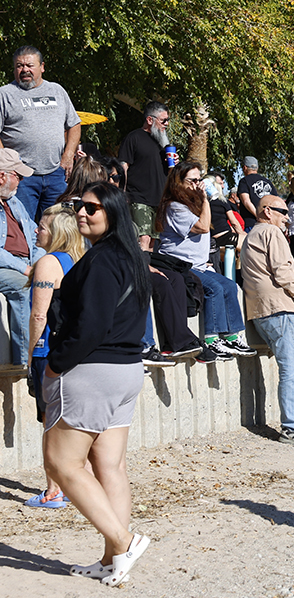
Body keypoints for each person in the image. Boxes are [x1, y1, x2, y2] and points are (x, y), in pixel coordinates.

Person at [43, 182, 152, 587]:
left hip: (93, 371)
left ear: (113, 213)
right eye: (78, 206)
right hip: (125, 371)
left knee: (61, 463)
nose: (83, 213)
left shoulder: (105, 261)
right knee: (110, 466)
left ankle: (124, 539)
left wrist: (55, 365)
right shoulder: (131, 258)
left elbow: (92, 325)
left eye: (92, 207)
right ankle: (113, 559)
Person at [155, 163, 257, 360]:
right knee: (214, 289)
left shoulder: (192, 204)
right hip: (180, 265)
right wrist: (205, 200)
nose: (197, 184)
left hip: (200, 265)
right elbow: (202, 227)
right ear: (178, 183)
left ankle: (232, 336)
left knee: (229, 285)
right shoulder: (174, 206)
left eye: (199, 180)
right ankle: (212, 339)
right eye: (192, 181)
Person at [241, 195, 294, 444]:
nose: (287, 217)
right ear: (266, 211)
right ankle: (293, 428)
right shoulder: (272, 234)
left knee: (290, 367)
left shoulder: (251, 236)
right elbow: (283, 272)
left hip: (260, 309)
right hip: (278, 308)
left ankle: (292, 425)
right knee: (292, 369)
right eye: (282, 212)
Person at [24, 205, 84, 508]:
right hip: (72, 351)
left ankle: (53, 490)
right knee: (67, 422)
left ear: (56, 232)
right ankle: (71, 485)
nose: (37, 230)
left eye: (43, 226)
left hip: (48, 351)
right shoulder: (76, 260)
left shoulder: (48, 263)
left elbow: (38, 315)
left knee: (50, 422)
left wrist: (31, 353)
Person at [0, 46, 81, 220]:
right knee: (22, 226)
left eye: (30, 65)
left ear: (42, 67)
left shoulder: (57, 91)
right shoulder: (5, 94)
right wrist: (7, 166)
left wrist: (68, 155)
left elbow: (74, 125)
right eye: (19, 66)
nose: (25, 70)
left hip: (56, 174)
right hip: (21, 177)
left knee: (58, 227)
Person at [0, 149, 43, 367]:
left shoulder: (15, 202)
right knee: (24, 288)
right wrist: (25, 269)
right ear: (2, 176)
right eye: (18, 176)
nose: (21, 181)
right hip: (5, 266)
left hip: (27, 263)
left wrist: (38, 264)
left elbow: (37, 236)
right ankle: (26, 363)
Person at [118, 101, 171, 252]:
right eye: (163, 120)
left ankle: (148, 273)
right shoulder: (134, 137)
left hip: (159, 200)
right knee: (143, 238)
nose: (166, 124)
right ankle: (139, 273)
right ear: (149, 120)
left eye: (168, 120)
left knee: (153, 241)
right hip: (138, 198)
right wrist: (123, 193)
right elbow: (123, 167)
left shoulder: (163, 142)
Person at [237, 156, 279, 231]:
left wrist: (258, 216)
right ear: (257, 168)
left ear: (245, 168)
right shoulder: (267, 181)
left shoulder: (244, 181)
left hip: (252, 223)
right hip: (269, 223)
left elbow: (246, 201)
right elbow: (277, 202)